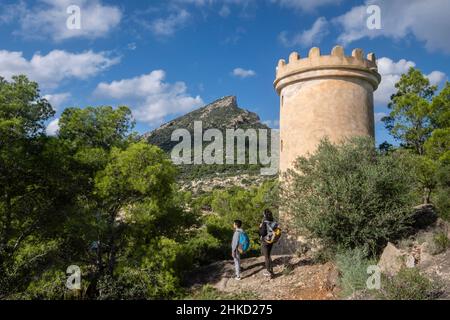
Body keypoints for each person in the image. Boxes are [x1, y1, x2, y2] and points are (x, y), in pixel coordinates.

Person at [259, 209, 274, 278]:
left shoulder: (264, 222)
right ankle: (271, 271)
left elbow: (262, 233)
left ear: (265, 214)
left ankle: (268, 271)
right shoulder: (272, 220)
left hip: (265, 241)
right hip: (271, 240)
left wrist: (260, 227)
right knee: (268, 255)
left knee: (266, 256)